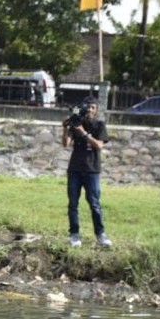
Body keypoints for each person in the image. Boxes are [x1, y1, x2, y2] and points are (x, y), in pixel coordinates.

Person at [61, 97, 111, 248]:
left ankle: (101, 235)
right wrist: (65, 127)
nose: (90, 110)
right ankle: (74, 235)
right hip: (75, 170)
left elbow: (99, 145)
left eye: (93, 108)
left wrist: (82, 132)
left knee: (94, 204)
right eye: (88, 107)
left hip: (92, 170)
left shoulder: (99, 125)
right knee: (73, 204)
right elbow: (65, 144)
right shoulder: (76, 123)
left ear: (96, 110)